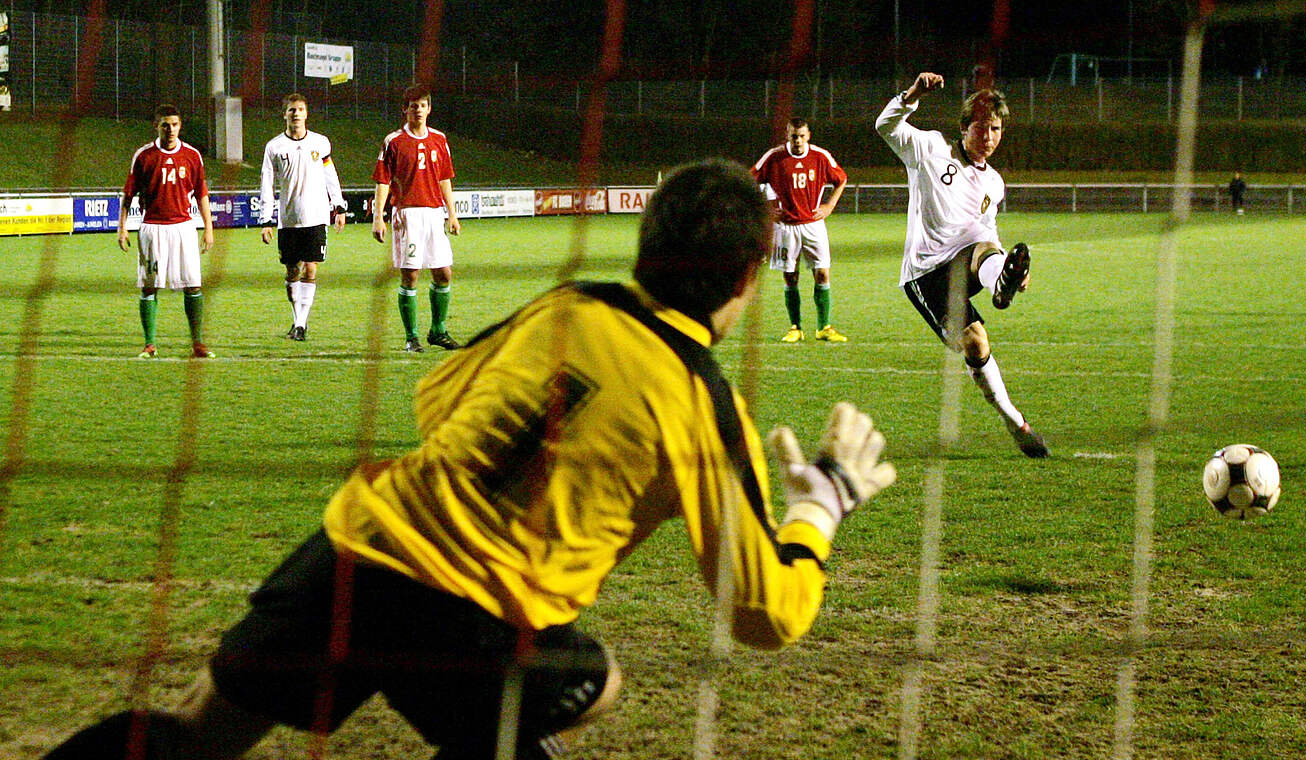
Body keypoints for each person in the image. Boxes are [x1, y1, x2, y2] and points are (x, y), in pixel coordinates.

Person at [42, 159, 897, 760]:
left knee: (197, 734)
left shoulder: (568, 304)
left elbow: (438, 402)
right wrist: (821, 501)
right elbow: (765, 614)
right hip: (479, 612)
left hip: (361, 546)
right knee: (588, 684)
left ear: (646, 246)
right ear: (750, 276)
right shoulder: (706, 406)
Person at [875, 72, 1049, 458]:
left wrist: (1005, 266)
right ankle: (1013, 420)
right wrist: (912, 95)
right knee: (974, 343)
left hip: (969, 261)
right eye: (982, 128)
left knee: (986, 245)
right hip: (926, 273)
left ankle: (1000, 285)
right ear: (964, 127)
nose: (989, 137)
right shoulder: (929, 148)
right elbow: (885, 126)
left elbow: (986, 233)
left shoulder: (995, 184)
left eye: (996, 129)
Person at [117, 103, 215, 359]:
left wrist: (208, 228)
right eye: (165, 125)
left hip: (184, 227)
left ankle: (198, 343)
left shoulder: (193, 155)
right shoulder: (144, 156)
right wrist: (122, 228)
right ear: (156, 126)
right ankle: (150, 344)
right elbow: (128, 194)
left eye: (174, 124)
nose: (170, 129)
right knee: (150, 287)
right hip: (153, 229)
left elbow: (202, 194)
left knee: (193, 285)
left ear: (180, 126)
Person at [371, 83, 461, 353]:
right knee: (411, 275)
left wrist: (452, 214)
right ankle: (412, 338)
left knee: (443, 273)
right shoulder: (393, 141)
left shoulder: (440, 139)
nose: (418, 110)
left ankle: (438, 331)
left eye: (422, 106)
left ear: (429, 109)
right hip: (407, 215)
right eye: (413, 106)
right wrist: (378, 217)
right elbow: (383, 181)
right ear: (405, 110)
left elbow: (445, 178)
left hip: (435, 214)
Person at [751, 117, 850, 343]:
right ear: (788, 135)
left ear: (808, 135)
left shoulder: (820, 156)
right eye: (794, 136)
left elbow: (841, 179)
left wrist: (830, 205)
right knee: (790, 277)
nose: (797, 140)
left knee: (823, 273)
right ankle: (795, 327)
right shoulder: (774, 157)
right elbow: (749, 180)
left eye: (801, 136)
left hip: (814, 225)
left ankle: (824, 327)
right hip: (785, 228)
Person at [260, 92, 348, 342]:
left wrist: (339, 206)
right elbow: (267, 183)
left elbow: (330, 174)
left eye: (300, 109)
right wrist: (266, 219)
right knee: (291, 271)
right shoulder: (274, 147)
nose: (296, 113)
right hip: (288, 220)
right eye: (291, 110)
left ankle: (300, 324)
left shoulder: (320, 143)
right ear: (284, 114)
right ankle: (297, 319)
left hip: (317, 216)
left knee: (310, 268)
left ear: (306, 113)